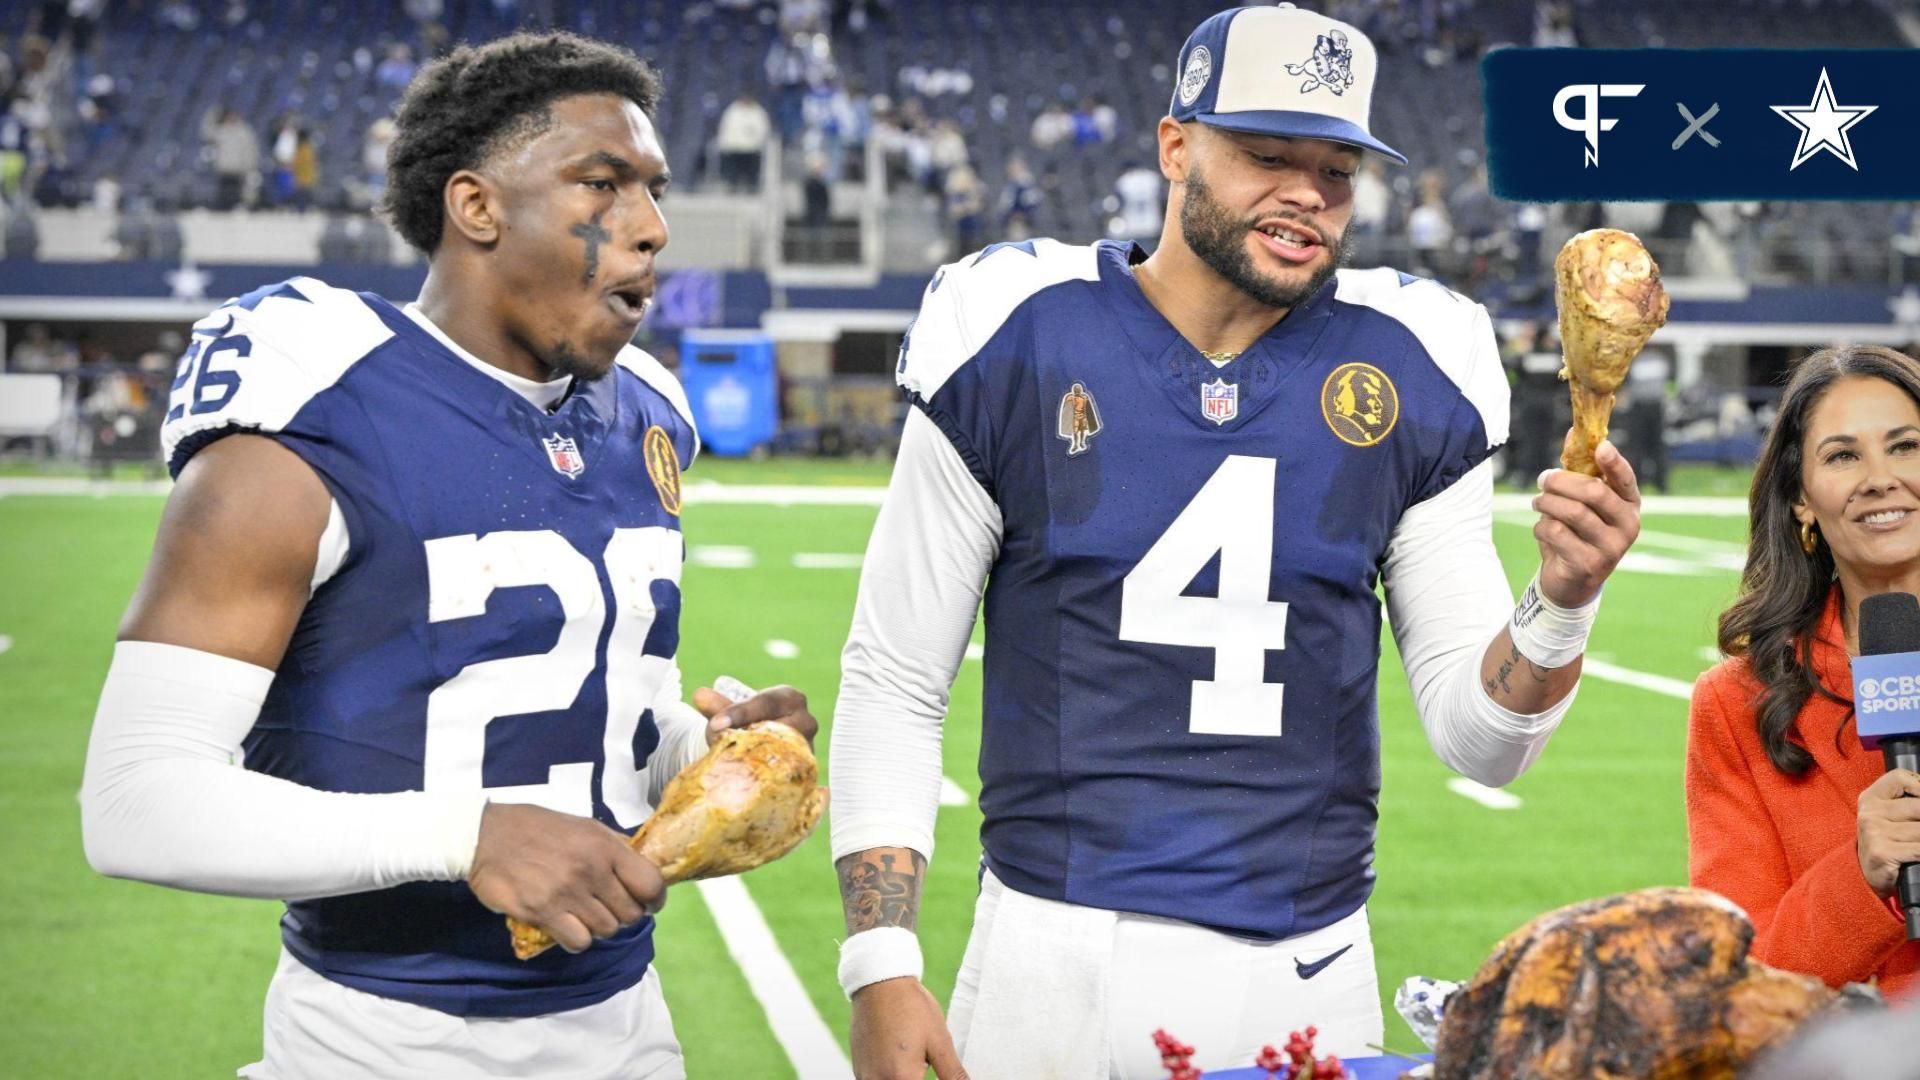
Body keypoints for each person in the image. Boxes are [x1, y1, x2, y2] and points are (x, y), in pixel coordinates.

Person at [828, 6, 1642, 1079]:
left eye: (1337, 169)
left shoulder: (1419, 356)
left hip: (1303, 966)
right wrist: (881, 961)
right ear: (1176, 146)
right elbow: (895, 676)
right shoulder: (1017, 325)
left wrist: (1562, 600)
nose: (1306, 192)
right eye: (1266, 155)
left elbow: (1482, 743)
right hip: (1049, 956)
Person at [78, 32, 817, 1079]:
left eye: (654, 189)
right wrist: (464, 839)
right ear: (475, 206)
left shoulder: (648, 412)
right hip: (380, 1039)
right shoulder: (313, 417)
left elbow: (604, 739)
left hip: (628, 1029)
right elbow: (134, 801)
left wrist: (709, 761)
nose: (652, 229)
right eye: (603, 184)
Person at [1687, 345, 1920, 1002]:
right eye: (1843, 456)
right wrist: (1861, 874)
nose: (1880, 478)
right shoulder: (1735, 704)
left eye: (1904, 446)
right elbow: (1737, 982)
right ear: (1801, 501)